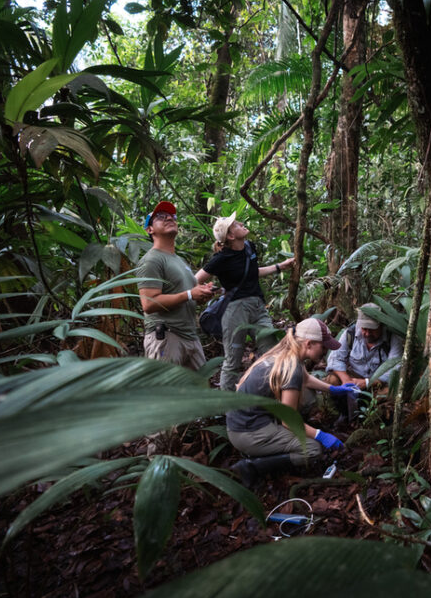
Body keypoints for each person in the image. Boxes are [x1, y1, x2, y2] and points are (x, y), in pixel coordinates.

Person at [226, 318, 358, 485]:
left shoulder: (286, 352)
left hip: (242, 422)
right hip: (247, 433)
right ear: (309, 344)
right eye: (323, 347)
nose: (325, 351)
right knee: (312, 449)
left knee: (307, 396)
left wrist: (333, 389)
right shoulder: (291, 367)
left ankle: (263, 450)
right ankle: (252, 466)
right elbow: (289, 421)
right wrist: (321, 436)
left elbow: (307, 379)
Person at [194, 213, 295, 391]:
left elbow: (252, 272)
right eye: (236, 225)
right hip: (235, 311)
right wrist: (208, 291)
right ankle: (228, 407)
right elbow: (196, 279)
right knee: (233, 360)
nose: (241, 224)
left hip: (257, 306)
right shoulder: (222, 258)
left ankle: (270, 395)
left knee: (270, 351)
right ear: (231, 236)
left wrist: (280, 266)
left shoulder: (249, 247)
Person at [136, 200, 217, 370]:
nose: (169, 218)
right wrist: (189, 294)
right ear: (149, 230)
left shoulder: (180, 261)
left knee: (201, 394)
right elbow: (149, 303)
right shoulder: (151, 260)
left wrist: (202, 293)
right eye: (160, 217)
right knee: (167, 395)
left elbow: (188, 296)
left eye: (172, 216)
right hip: (167, 337)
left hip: (190, 337)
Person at [325, 302, 404, 393]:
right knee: (332, 380)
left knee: (391, 392)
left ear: (381, 325)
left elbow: (395, 369)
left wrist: (367, 383)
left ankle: (374, 404)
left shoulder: (392, 338)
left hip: (379, 382)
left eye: (372, 329)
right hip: (354, 377)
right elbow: (335, 359)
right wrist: (346, 380)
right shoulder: (350, 334)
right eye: (364, 329)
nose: (367, 333)